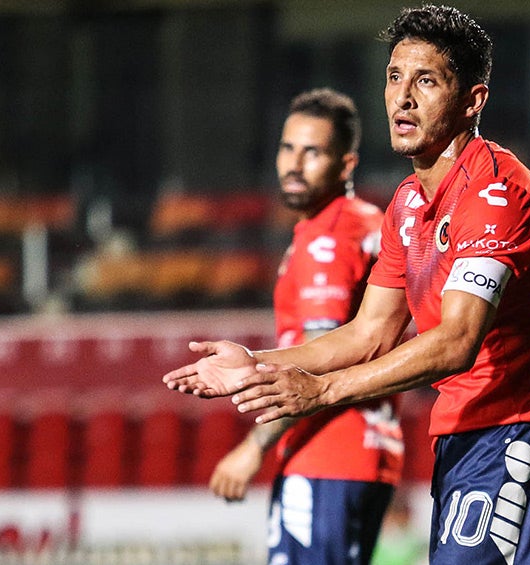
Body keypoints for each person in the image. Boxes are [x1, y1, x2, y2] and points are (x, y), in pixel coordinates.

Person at [164, 5, 530, 564]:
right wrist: (258, 364)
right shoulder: (407, 205)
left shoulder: (495, 197)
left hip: (519, 431)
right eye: (393, 77)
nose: (401, 97)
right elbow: (368, 334)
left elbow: (457, 343)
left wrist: (323, 392)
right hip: (460, 435)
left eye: (425, 81)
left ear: (473, 101)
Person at [203, 88, 404, 565]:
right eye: (287, 148)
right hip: (367, 452)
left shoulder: (327, 238)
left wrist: (253, 447)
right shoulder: (365, 222)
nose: (295, 163)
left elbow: (321, 355)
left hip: (326, 454)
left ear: (347, 163)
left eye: (313, 151)